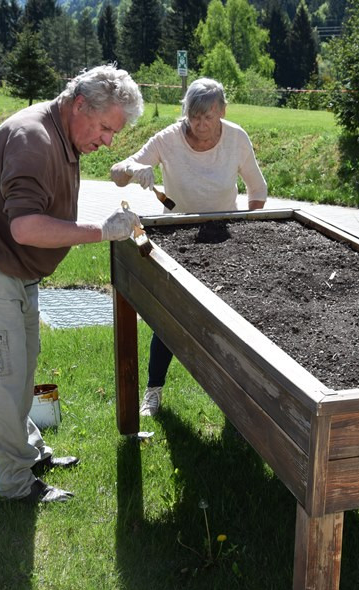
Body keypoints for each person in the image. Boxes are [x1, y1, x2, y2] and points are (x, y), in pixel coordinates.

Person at [0, 65, 144, 505]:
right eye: (106, 127)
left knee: (21, 365)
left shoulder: (61, 133)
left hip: (14, 269)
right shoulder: (33, 139)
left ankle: (30, 451)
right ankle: (14, 485)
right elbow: (26, 228)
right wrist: (100, 231)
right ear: (79, 106)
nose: (108, 141)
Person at [110, 78, 268, 417]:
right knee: (169, 318)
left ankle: (239, 399)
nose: (201, 125)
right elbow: (117, 172)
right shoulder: (168, 139)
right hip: (178, 236)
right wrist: (134, 168)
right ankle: (153, 392)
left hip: (224, 237)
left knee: (233, 322)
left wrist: (249, 235)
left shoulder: (236, 138)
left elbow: (258, 190)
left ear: (222, 111)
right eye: (194, 117)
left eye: (208, 117)